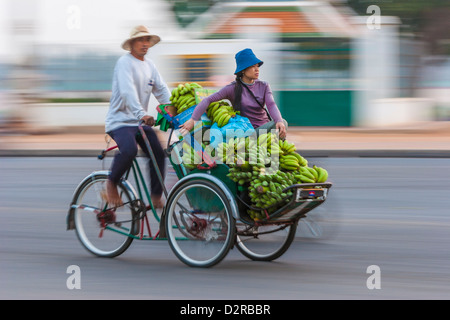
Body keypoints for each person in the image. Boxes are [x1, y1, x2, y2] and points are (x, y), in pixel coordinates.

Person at [104, 25, 171, 208]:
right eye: (141, 40)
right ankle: (111, 182)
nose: (145, 44)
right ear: (132, 43)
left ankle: (156, 196)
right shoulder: (124, 63)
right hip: (119, 122)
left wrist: (174, 109)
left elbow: (162, 90)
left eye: (147, 40)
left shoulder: (150, 65)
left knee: (158, 152)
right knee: (129, 150)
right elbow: (127, 92)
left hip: (138, 123)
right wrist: (142, 114)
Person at [179, 48, 287, 139]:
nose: (256, 69)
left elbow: (271, 104)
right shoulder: (232, 88)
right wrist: (193, 120)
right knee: (278, 125)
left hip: (265, 127)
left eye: (257, 66)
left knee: (282, 123)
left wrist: (278, 121)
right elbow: (208, 100)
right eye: (252, 66)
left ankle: (272, 155)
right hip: (247, 132)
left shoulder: (264, 86)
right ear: (243, 70)